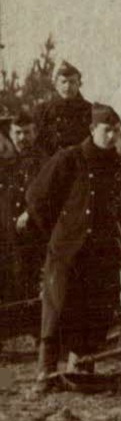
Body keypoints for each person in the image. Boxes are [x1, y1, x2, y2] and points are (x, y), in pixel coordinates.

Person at [25, 105, 121, 393]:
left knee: (94, 310)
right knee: (58, 307)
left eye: (116, 130)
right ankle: (46, 373)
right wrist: (58, 231)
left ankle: (81, 369)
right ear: (92, 129)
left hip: (101, 251)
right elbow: (36, 197)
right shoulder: (69, 159)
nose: (112, 136)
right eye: (106, 130)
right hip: (66, 249)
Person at [0, 110, 47, 307]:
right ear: (10, 134)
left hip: (31, 228)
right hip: (6, 227)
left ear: (35, 133)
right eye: (18, 133)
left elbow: (47, 192)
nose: (22, 138)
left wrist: (29, 212)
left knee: (28, 273)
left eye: (27, 133)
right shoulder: (5, 161)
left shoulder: (43, 160)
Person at [35, 62, 94, 154]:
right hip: (52, 162)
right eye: (63, 82)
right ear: (56, 85)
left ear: (79, 84)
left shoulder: (90, 110)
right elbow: (38, 142)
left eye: (72, 82)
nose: (67, 86)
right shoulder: (43, 110)